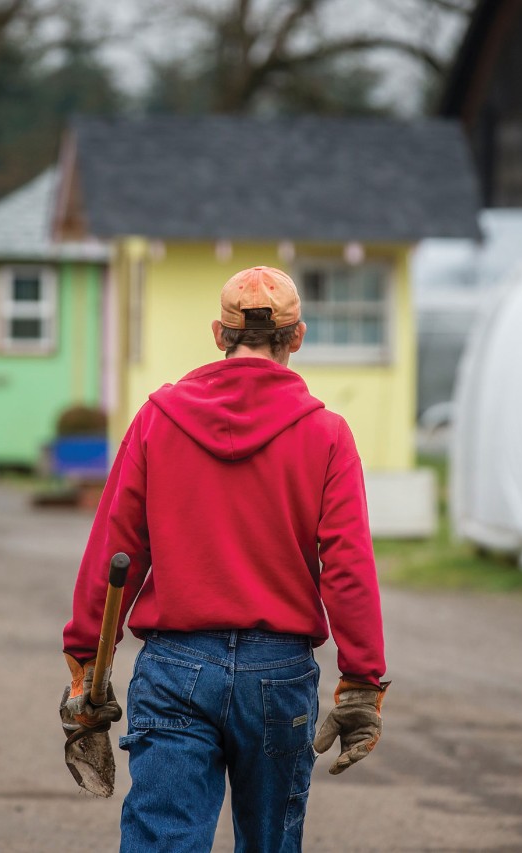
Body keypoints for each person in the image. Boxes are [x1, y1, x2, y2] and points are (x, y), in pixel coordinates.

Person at [61, 265, 389, 852]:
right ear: (298, 336)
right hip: (279, 675)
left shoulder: (159, 418)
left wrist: (87, 661)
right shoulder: (328, 434)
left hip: (175, 669)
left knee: (163, 842)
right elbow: (347, 566)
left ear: (219, 333)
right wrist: (361, 681)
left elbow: (115, 547)